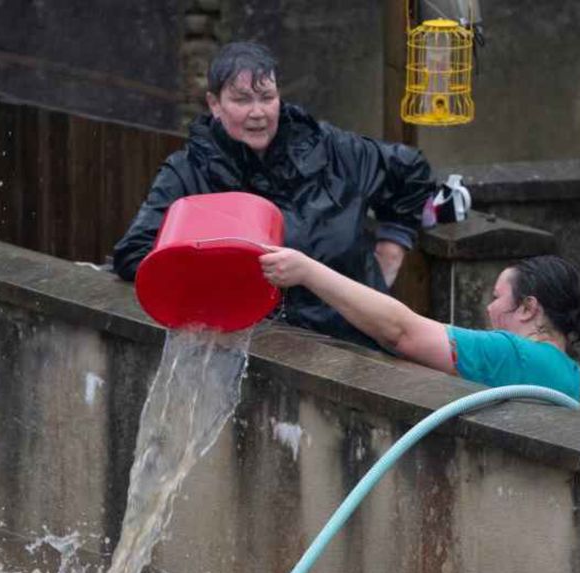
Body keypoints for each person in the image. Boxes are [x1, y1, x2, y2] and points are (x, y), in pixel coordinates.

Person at [113, 41, 434, 346]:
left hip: (358, 340)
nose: (258, 112)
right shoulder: (189, 172)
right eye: (241, 100)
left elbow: (411, 170)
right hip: (259, 347)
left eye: (266, 97)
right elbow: (134, 254)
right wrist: (215, 274)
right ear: (214, 104)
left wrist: (394, 243)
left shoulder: (332, 149)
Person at [259, 249, 580, 400]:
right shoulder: (576, 375)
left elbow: (401, 332)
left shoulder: (514, 354)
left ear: (528, 308)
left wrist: (307, 271)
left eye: (497, 297)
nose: (489, 308)